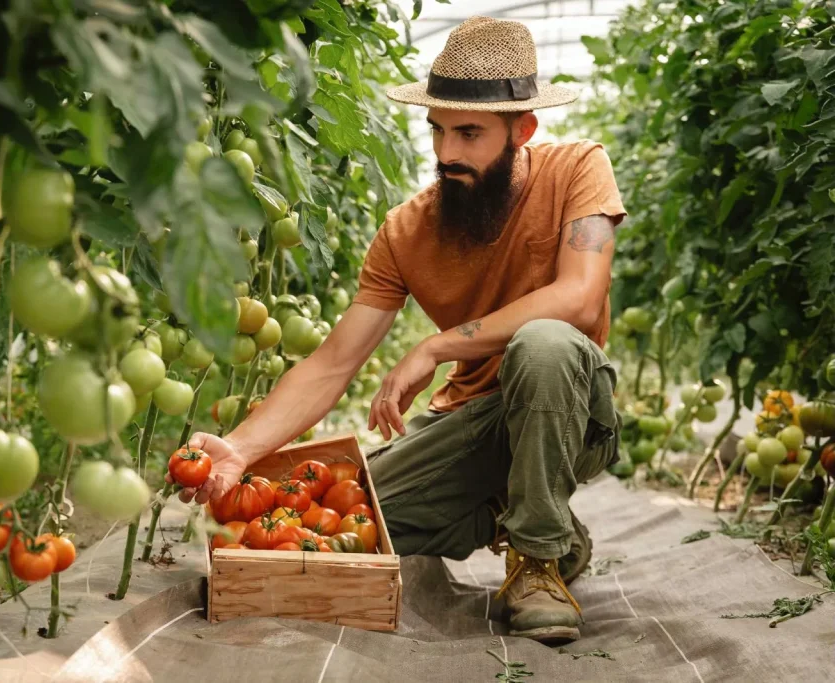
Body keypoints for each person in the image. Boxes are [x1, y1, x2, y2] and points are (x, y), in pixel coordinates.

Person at [170, 16, 626, 645]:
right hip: (474, 421)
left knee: (542, 344)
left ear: (524, 129)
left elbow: (578, 299)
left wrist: (438, 344)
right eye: (437, 130)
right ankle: (515, 511)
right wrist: (242, 448)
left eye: (469, 133)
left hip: (571, 409)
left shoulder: (579, 169)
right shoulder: (405, 231)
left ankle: (538, 559)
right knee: (355, 514)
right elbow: (332, 364)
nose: (447, 154)